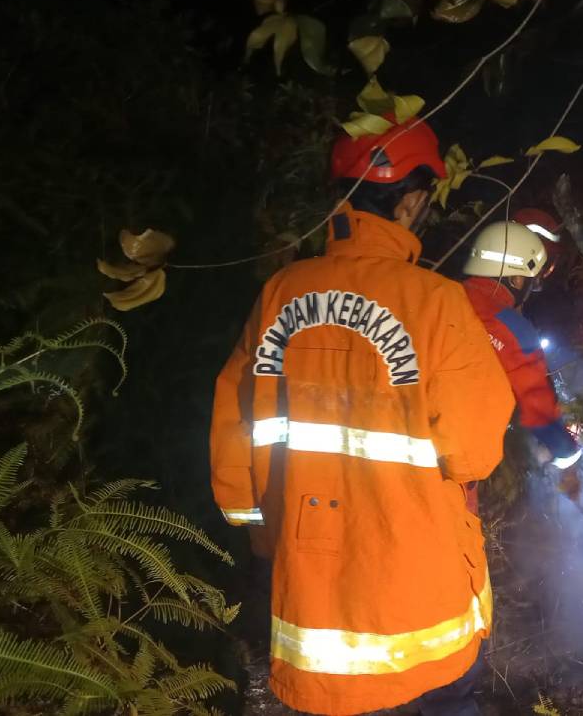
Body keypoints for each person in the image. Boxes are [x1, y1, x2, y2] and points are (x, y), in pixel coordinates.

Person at [209, 116, 514, 716]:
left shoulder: (279, 292)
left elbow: (232, 440)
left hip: (310, 600)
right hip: (418, 602)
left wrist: (262, 536)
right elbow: (475, 451)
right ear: (411, 201)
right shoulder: (436, 302)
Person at [460, 221, 583, 501]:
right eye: (529, 283)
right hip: (457, 464)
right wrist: (568, 459)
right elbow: (537, 407)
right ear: (516, 280)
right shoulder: (512, 327)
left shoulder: (440, 295)